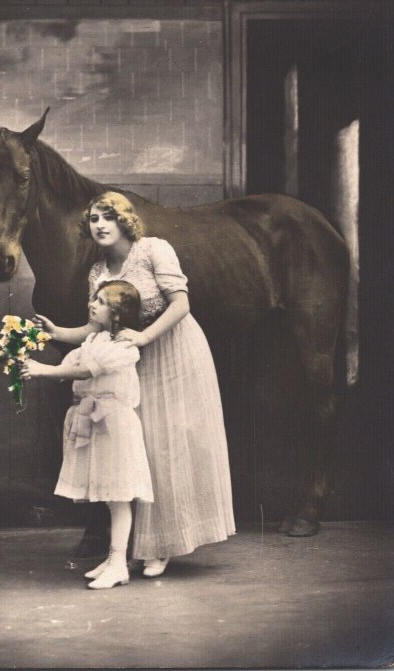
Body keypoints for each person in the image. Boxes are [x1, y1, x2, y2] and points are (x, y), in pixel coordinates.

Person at [33, 191, 235, 578]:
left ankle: (163, 546)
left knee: (169, 445)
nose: (101, 225)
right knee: (141, 450)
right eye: (93, 219)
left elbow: (180, 304)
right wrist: (57, 331)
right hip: (129, 362)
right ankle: (140, 546)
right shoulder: (98, 272)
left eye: (108, 216)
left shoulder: (154, 249)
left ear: (125, 219)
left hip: (175, 349)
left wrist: (143, 337)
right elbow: (95, 328)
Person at [20, 280, 153, 590]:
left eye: (103, 301)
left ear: (119, 314)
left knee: (118, 497)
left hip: (115, 424)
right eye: (94, 297)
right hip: (97, 423)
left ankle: (119, 563)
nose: (93, 303)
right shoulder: (94, 339)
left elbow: (84, 371)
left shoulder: (123, 346)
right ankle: (112, 557)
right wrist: (38, 345)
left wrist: (43, 370)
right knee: (107, 497)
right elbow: (73, 363)